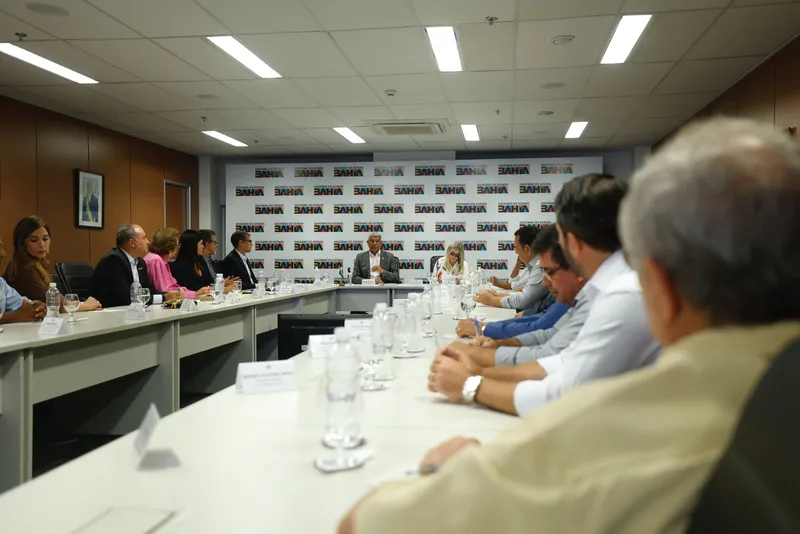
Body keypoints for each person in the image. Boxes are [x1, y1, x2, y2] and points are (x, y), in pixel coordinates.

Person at [338, 118, 800, 534]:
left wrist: (455, 440)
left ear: (659, 284)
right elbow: (562, 357)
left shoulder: (655, 418)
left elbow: (361, 523)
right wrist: (480, 366)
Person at [430, 173, 660, 417]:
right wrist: (477, 368)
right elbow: (559, 360)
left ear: (573, 241)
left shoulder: (622, 294)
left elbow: (563, 393)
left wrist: (470, 383)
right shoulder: (608, 285)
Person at [455, 226, 570, 338]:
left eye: (550, 272)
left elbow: (538, 324)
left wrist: (483, 328)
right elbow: (541, 317)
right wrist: (485, 326)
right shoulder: (565, 293)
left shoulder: (570, 298)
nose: (544, 283)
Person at [3, 216, 101, 311]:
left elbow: (58, 299)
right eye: (34, 240)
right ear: (21, 244)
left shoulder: (38, 264)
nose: (42, 244)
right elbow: (56, 304)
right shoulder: (24, 268)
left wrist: (83, 304)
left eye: (45, 239)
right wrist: (89, 305)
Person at [92, 224, 181, 308]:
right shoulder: (113, 261)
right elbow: (126, 298)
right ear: (132, 243)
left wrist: (169, 295)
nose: (148, 242)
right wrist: (164, 297)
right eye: (144, 238)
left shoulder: (140, 262)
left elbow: (148, 291)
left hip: (133, 310)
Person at [474, 226, 548, 310]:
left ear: (527, 249)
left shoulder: (540, 266)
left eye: (516, 248)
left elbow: (523, 301)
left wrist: (492, 299)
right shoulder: (533, 265)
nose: (515, 252)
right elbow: (522, 293)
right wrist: (495, 295)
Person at [145, 228, 212, 299]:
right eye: (177, 246)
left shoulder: (159, 260)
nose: (178, 248)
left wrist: (194, 293)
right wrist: (195, 294)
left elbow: (173, 286)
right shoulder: (156, 260)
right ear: (170, 248)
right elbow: (167, 292)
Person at [0, 236, 46, 323]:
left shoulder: (1, 283)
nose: (3, 254)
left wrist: (37, 309)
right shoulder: (23, 268)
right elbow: (21, 314)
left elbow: (23, 305)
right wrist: (17, 316)